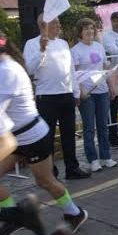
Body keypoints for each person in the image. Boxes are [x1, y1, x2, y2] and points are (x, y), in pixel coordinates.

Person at [0, 31, 89, 235]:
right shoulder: (5, 66)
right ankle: (14, 217)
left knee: (45, 181)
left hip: (31, 136)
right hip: (16, 137)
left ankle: (75, 213)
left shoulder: (7, 71)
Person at [23, 14, 90, 180]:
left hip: (66, 95)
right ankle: (50, 172)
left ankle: (72, 168)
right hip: (46, 97)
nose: (59, 25)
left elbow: (70, 70)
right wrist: (41, 50)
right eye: (55, 23)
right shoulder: (32, 44)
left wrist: (75, 92)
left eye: (59, 22)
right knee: (48, 136)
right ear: (43, 25)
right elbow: (30, 69)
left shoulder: (63, 43)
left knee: (69, 134)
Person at [70, 18, 117, 172]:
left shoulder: (99, 46)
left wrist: (111, 86)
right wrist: (81, 90)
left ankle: (106, 156)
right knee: (89, 128)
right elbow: (74, 73)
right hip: (87, 94)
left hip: (102, 91)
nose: (90, 31)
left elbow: (105, 67)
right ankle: (93, 160)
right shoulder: (75, 50)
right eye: (86, 29)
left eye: (92, 28)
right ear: (80, 32)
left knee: (103, 126)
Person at [102, 11, 118, 148]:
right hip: (114, 74)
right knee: (113, 106)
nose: (117, 23)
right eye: (114, 20)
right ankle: (113, 137)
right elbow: (111, 49)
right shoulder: (106, 36)